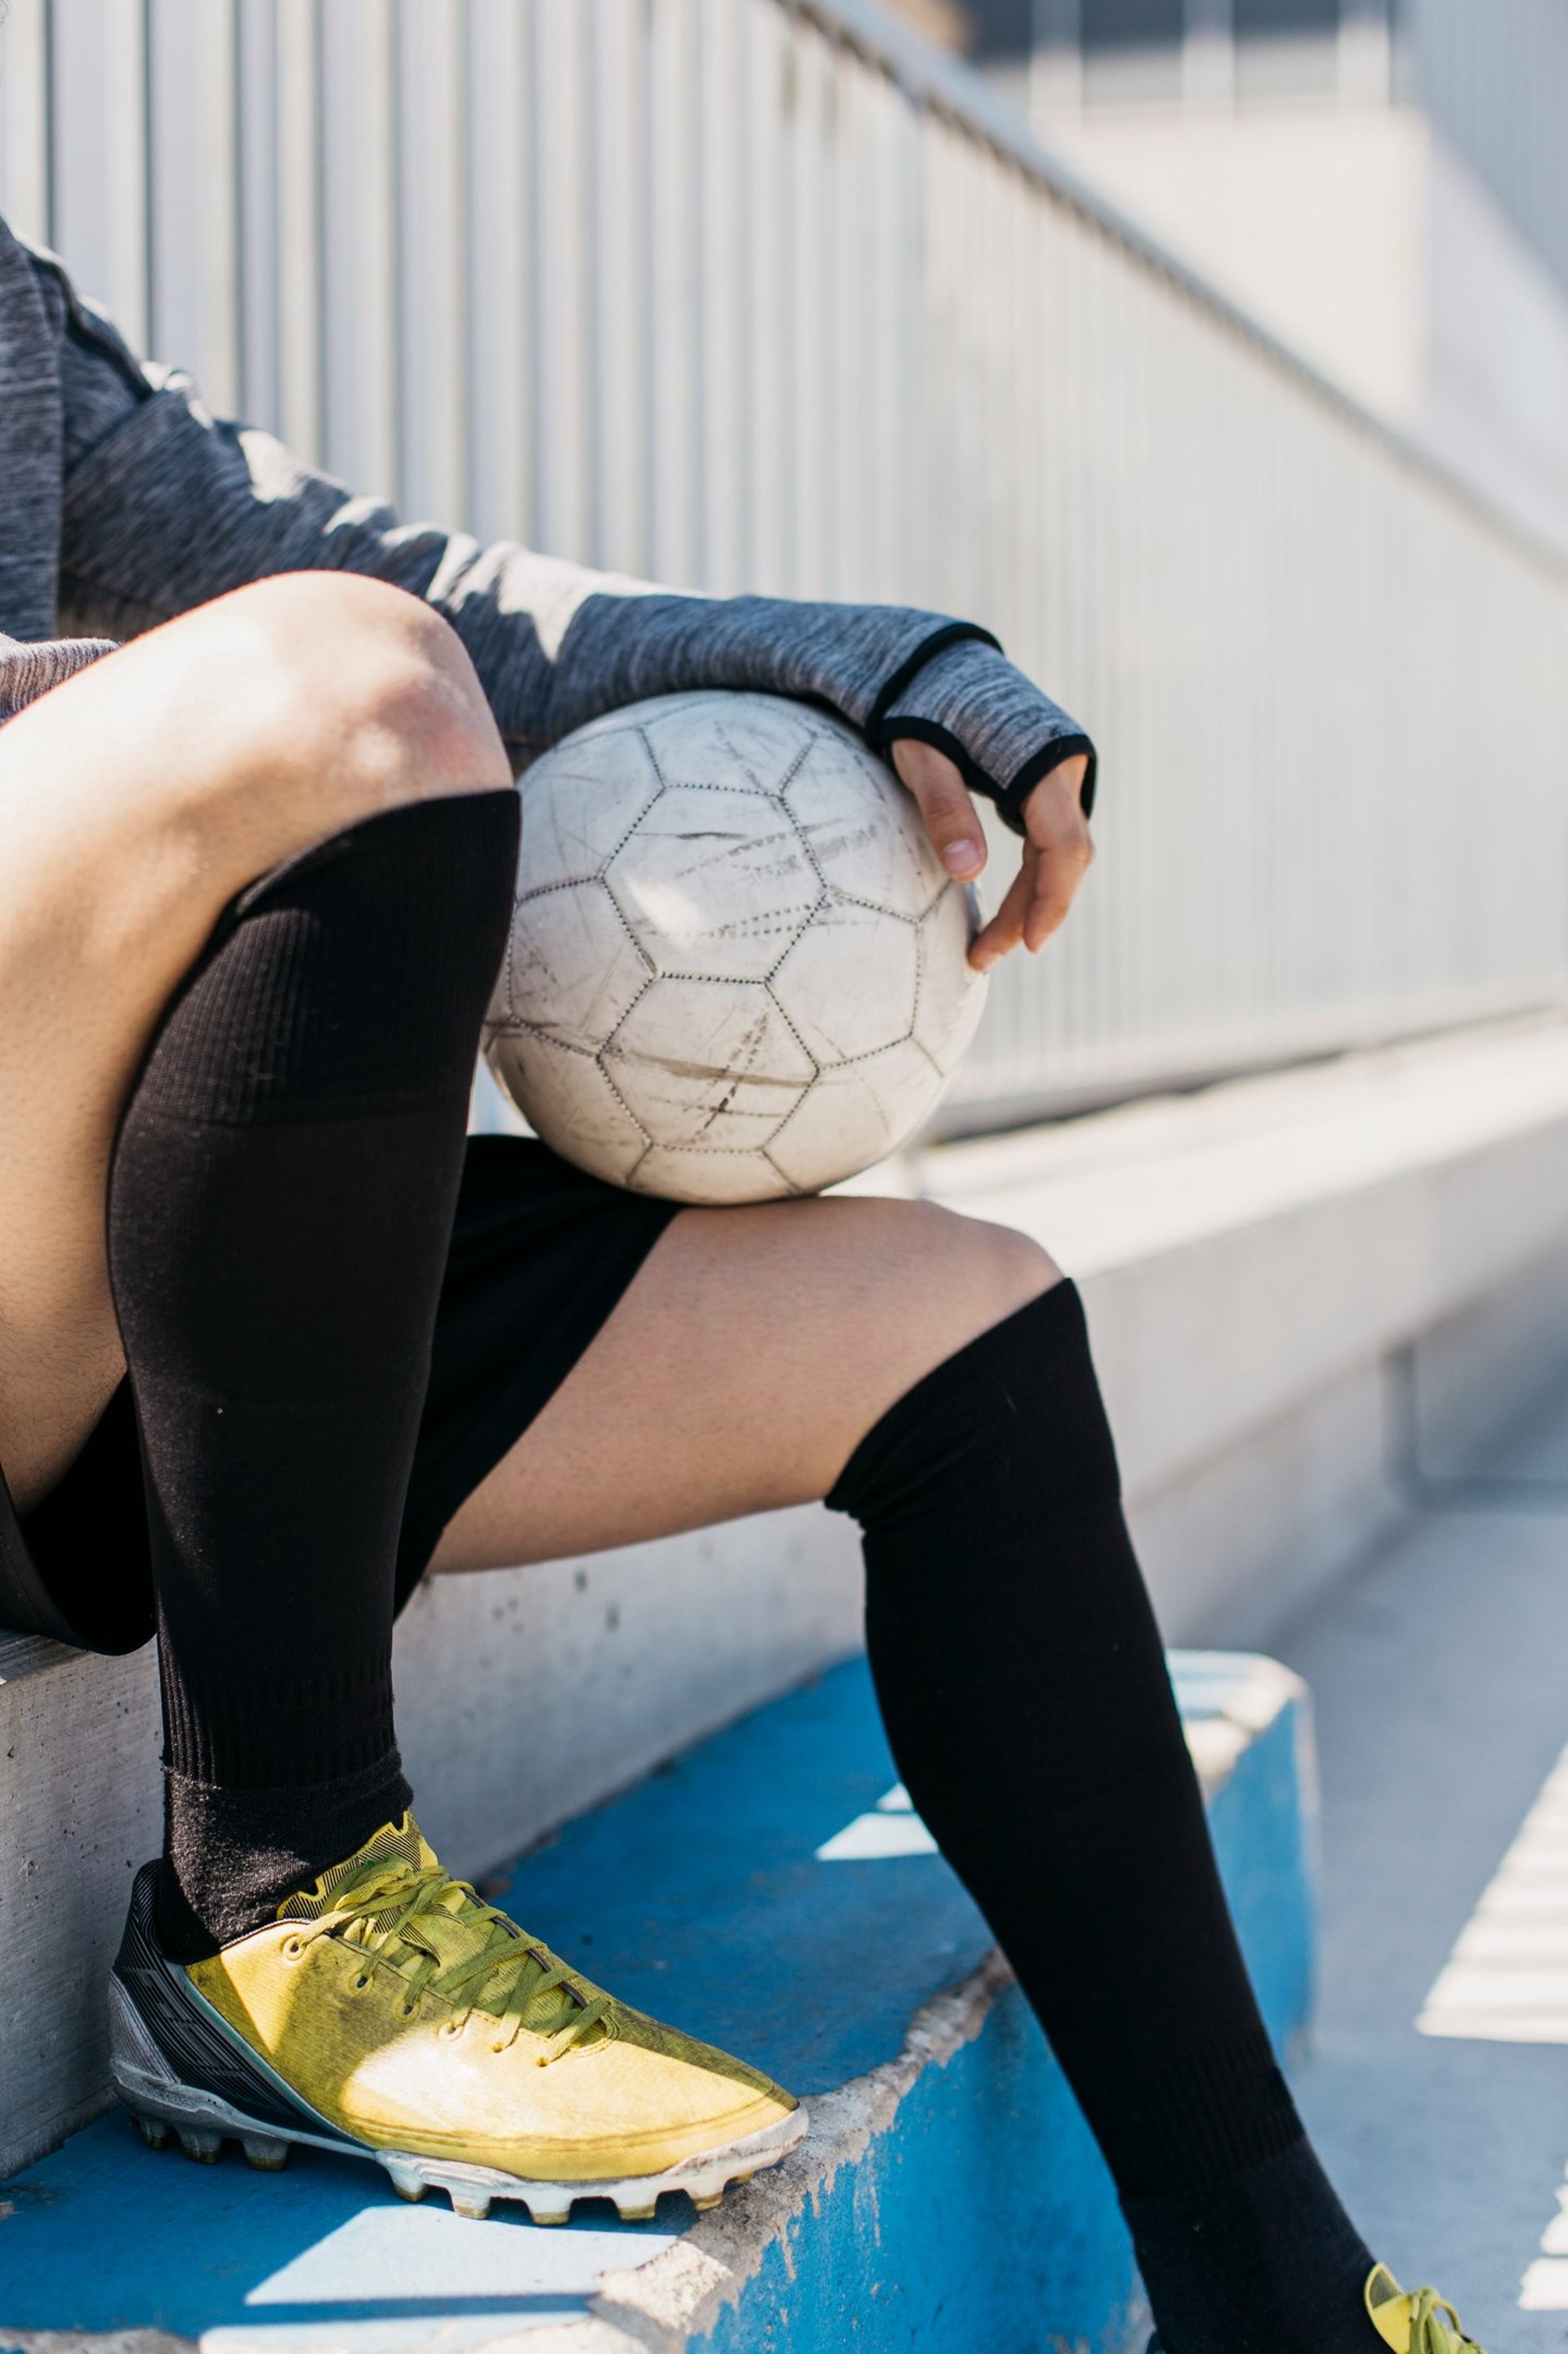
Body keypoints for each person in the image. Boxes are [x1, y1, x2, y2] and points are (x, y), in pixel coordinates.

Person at [0, 211, 1473, 2353]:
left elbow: (423, 605)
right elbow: (338, 689)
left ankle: (1279, 2301)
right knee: (350, 695)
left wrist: (879, 666)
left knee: (959, 1322)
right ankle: (282, 1881)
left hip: (80, 1287)